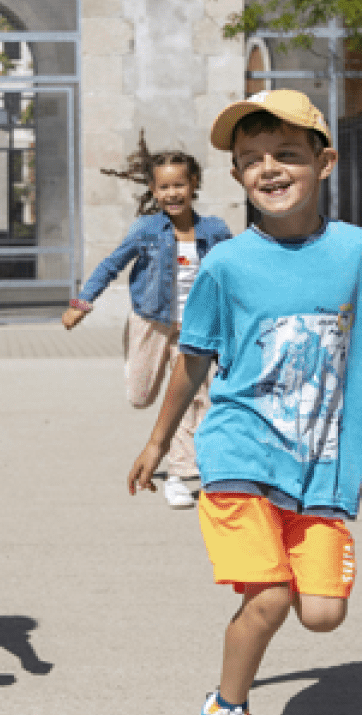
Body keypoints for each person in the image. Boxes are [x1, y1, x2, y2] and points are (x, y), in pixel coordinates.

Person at [126, 89, 362, 715]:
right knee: (268, 599)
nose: (269, 168)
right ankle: (224, 711)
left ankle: (284, 583)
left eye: (286, 154)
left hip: (321, 465)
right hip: (238, 451)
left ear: (324, 163)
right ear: (238, 175)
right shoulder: (228, 264)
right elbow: (193, 360)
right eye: (251, 158)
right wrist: (157, 444)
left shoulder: (359, 253)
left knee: (322, 614)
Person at [64, 139, 235, 509]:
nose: (172, 193)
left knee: (191, 398)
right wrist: (82, 302)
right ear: (154, 191)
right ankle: (166, 431)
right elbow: (112, 264)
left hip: (196, 330)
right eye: (164, 187)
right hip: (150, 321)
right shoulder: (146, 230)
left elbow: (237, 271)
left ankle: (180, 474)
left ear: (194, 185)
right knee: (140, 396)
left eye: (180, 185)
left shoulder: (216, 230)